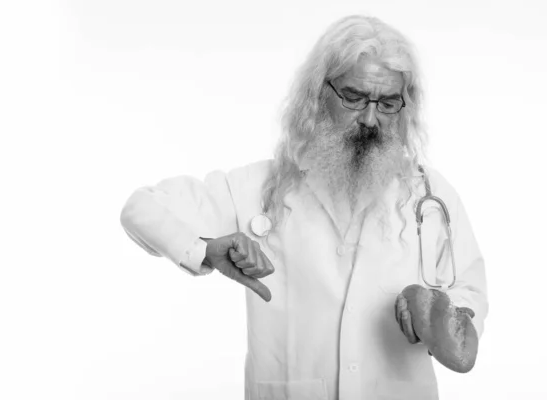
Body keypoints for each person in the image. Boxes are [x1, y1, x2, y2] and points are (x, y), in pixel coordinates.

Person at [120, 15, 488, 400]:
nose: (370, 118)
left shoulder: (431, 196)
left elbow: (470, 288)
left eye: (389, 103)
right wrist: (203, 251)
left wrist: (443, 315)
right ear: (318, 93)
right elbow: (141, 208)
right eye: (354, 96)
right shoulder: (255, 188)